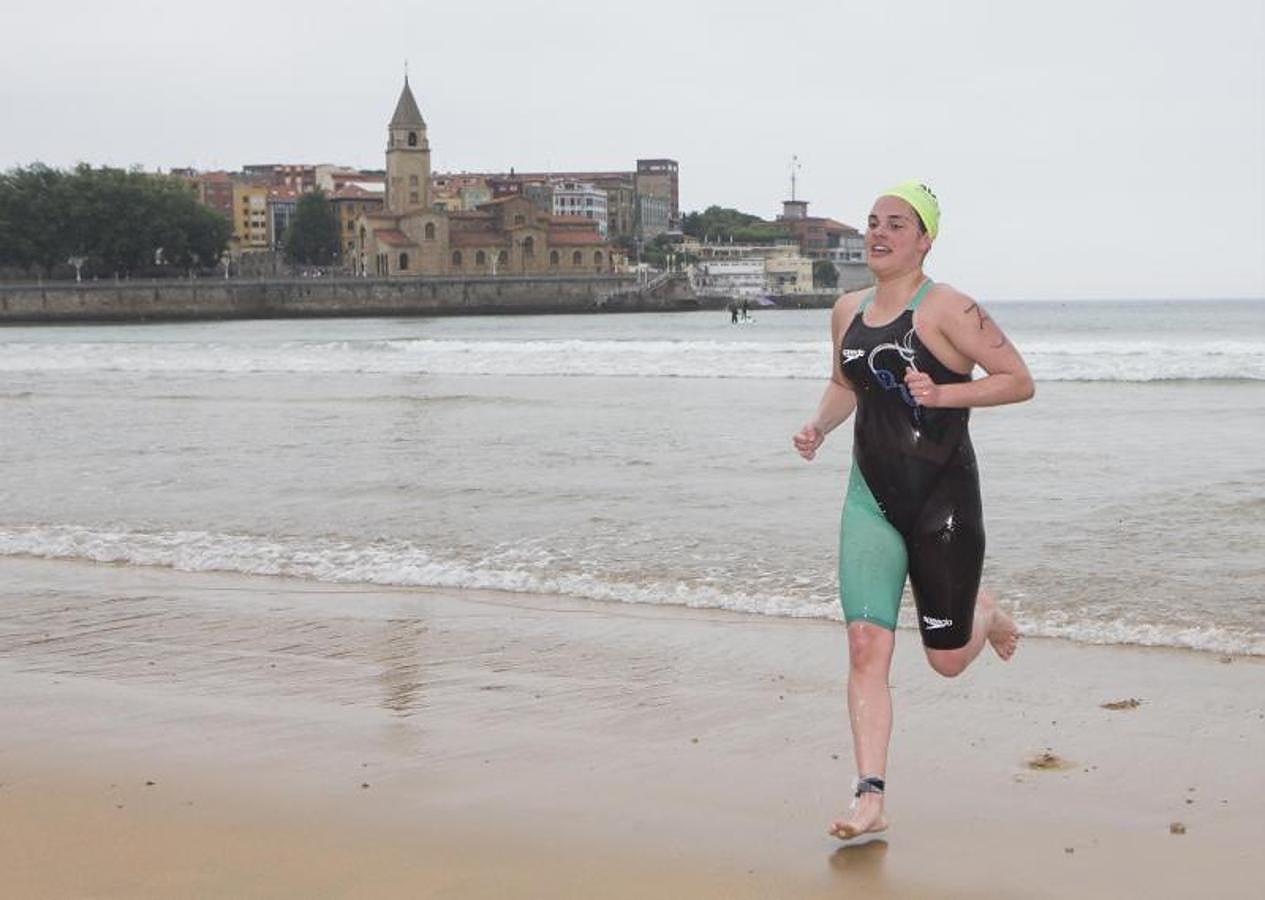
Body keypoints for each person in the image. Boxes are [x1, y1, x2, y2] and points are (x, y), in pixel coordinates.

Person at [791, 181, 1034, 841]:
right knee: (865, 644)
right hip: (869, 499)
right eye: (873, 221)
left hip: (942, 500)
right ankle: (869, 798)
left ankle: (984, 612)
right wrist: (819, 426)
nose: (879, 232)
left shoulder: (949, 308)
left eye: (897, 223)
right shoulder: (846, 310)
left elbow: (1018, 381)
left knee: (946, 662)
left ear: (924, 240)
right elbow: (845, 383)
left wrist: (945, 394)